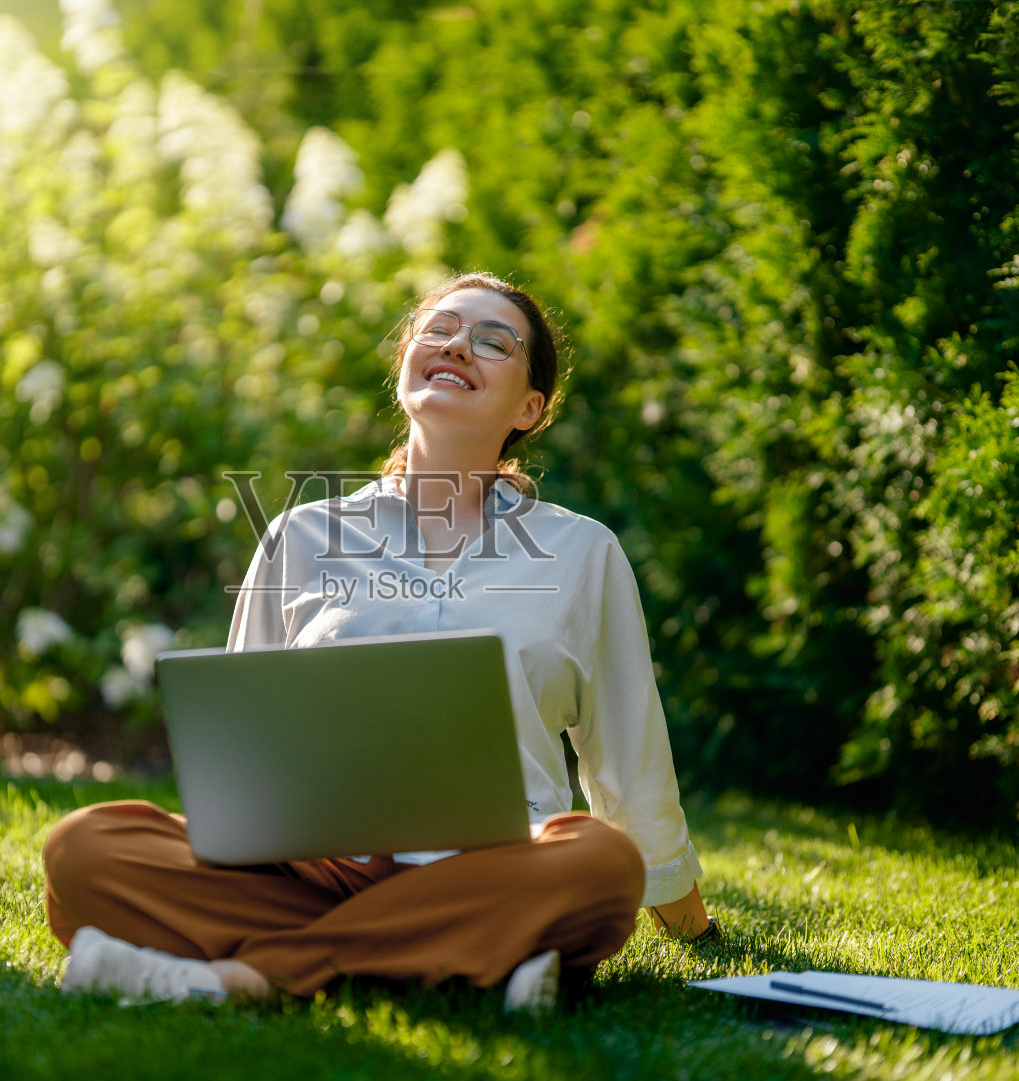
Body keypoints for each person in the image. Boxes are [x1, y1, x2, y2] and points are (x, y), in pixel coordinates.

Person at [42, 271, 714, 1010]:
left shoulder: (582, 552)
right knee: (86, 846)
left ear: (529, 407)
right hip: (315, 863)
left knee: (597, 861)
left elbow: (629, 752)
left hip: (503, 860)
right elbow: (240, 748)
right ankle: (477, 953)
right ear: (406, 365)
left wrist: (687, 920)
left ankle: (252, 973)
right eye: (440, 328)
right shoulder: (301, 535)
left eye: (493, 340)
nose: (457, 344)